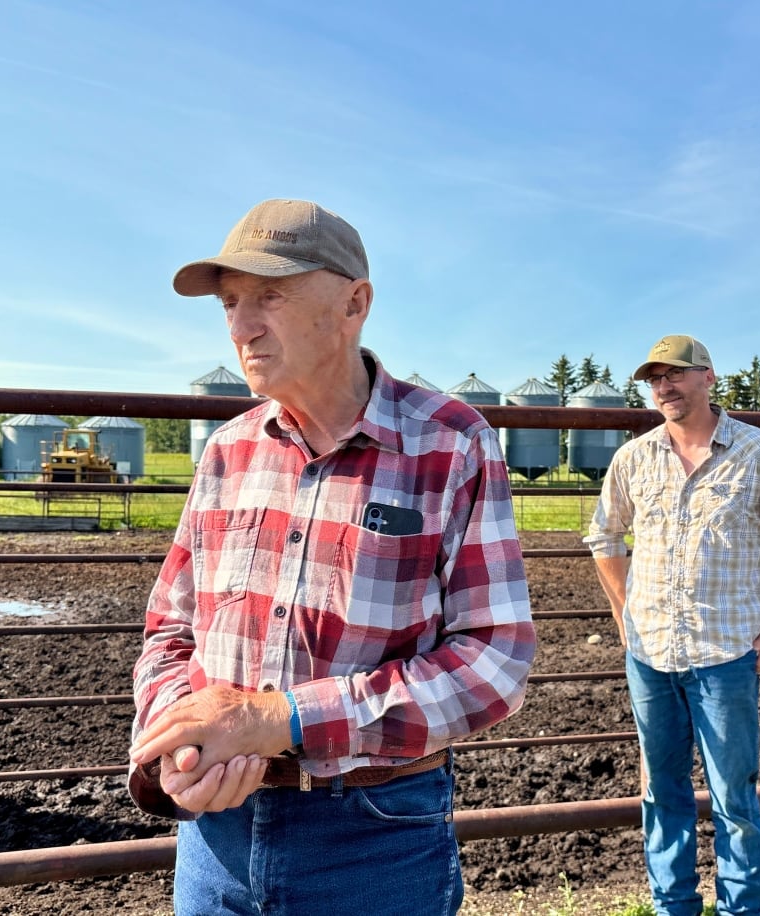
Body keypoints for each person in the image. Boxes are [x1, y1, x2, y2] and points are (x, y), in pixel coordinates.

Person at [127, 198, 536, 916]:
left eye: (270, 295)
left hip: (372, 835)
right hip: (214, 835)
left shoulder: (450, 443)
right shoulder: (227, 450)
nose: (243, 326)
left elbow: (493, 659)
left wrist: (283, 720)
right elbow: (170, 629)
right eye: (230, 302)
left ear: (355, 303)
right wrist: (178, 744)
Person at [584, 334, 760, 916]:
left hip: (724, 656)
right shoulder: (634, 457)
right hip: (650, 655)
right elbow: (603, 534)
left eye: (675, 374)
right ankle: (673, 905)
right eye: (654, 379)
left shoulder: (759, 452)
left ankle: (740, 909)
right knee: (661, 792)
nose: (664, 387)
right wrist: (625, 615)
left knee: (733, 797)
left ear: (708, 378)